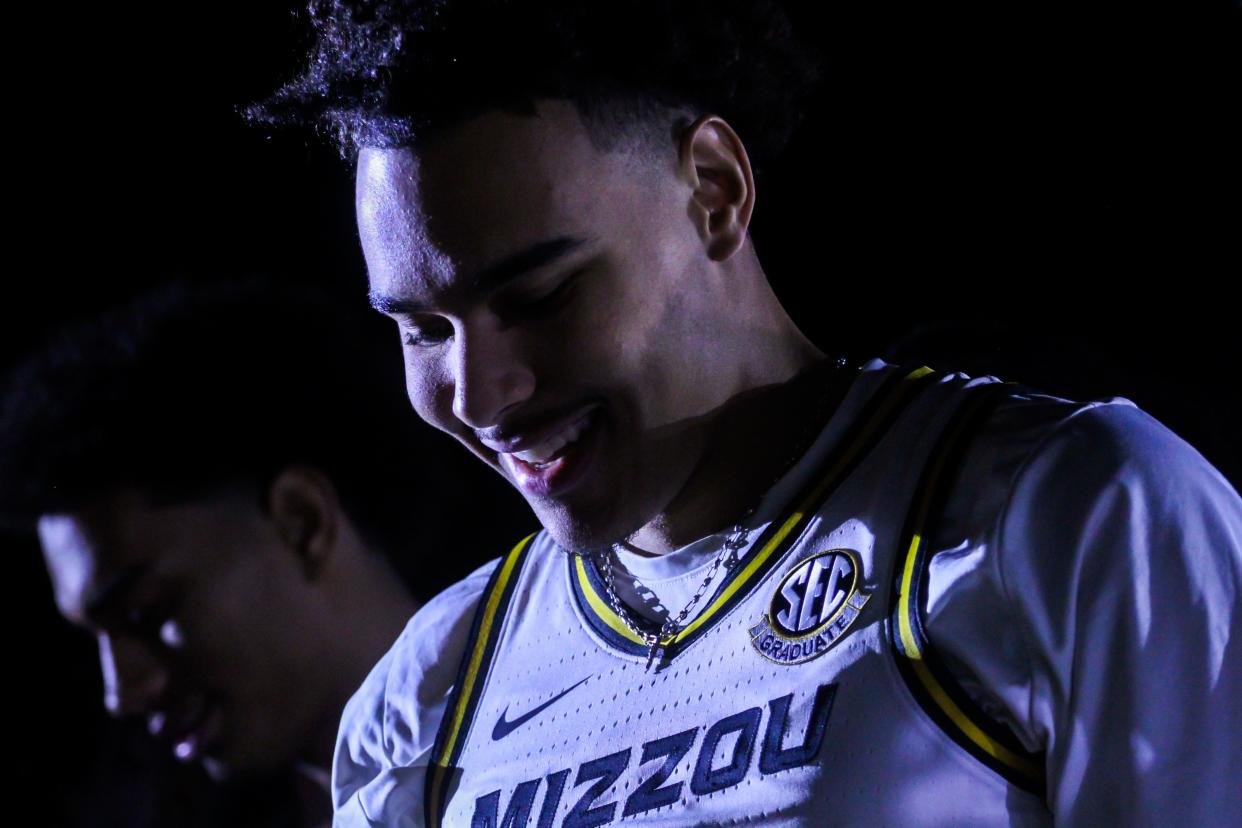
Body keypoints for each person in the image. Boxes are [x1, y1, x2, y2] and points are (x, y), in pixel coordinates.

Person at [249, 2, 1242, 825]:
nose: (479, 392)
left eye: (541, 297)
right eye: (424, 328)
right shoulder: (430, 690)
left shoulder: (1069, 516)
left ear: (714, 190)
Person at [0, 280, 528, 826]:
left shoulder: (565, 739)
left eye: (146, 611)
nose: (122, 691)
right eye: (96, 635)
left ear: (302, 521)